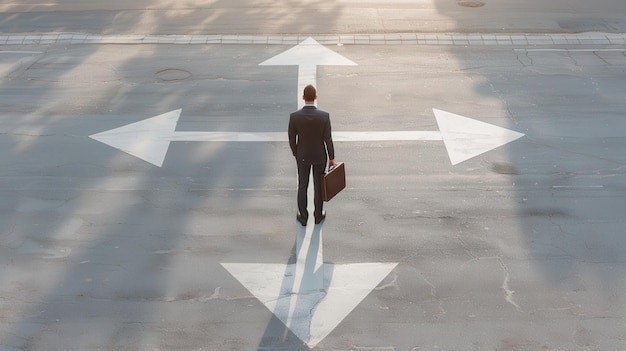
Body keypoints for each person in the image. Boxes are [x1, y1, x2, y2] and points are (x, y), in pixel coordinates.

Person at [288, 84, 336, 226]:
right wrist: (331, 157)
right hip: (320, 156)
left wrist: (296, 153)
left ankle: (303, 217)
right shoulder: (324, 116)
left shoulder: (294, 117)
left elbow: (292, 139)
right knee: (318, 186)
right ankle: (318, 216)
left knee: (302, 185)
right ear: (316, 97)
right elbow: (328, 138)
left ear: (303, 98)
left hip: (302, 156)